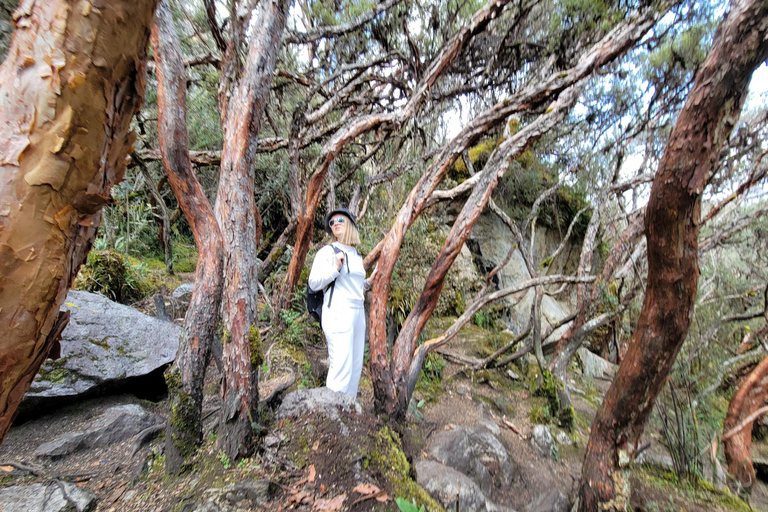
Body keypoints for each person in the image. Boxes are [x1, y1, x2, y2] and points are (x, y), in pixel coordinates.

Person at [308, 207, 375, 397]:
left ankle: (349, 413)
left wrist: (368, 283)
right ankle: (332, 416)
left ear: (350, 225)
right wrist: (335, 268)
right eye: (332, 222)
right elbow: (313, 282)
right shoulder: (328, 251)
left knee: (354, 367)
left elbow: (352, 286)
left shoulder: (355, 253)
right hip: (338, 312)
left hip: (357, 313)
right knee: (341, 368)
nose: (335, 223)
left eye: (340, 220)